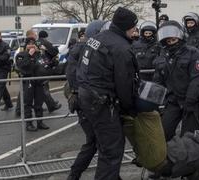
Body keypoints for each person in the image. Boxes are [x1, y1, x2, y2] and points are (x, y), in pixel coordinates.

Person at [76, 7, 139, 180]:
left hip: (87, 98)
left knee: (105, 146)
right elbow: (124, 84)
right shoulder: (121, 48)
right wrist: (130, 108)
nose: (135, 31)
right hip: (103, 102)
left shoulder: (96, 39)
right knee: (112, 150)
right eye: (133, 27)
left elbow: (81, 68)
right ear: (126, 26)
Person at [66, 19, 110, 180]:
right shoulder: (84, 50)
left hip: (86, 101)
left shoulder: (83, 49)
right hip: (87, 102)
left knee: (99, 142)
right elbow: (74, 77)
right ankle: (74, 174)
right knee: (95, 142)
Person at [153, 20, 199, 141]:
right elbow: (158, 81)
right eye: (168, 41)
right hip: (172, 102)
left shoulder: (193, 53)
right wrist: (154, 103)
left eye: (173, 40)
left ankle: (191, 159)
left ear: (180, 37)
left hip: (191, 102)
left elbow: (197, 79)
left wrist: (190, 100)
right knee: (164, 133)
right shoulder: (162, 57)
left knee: (189, 137)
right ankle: (168, 157)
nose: (171, 43)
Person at [15, 30, 52, 131]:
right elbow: (23, 66)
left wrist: (48, 59)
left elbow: (46, 64)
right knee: (28, 102)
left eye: (33, 44)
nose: (32, 46)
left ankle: (40, 122)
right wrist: (29, 55)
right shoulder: (21, 55)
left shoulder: (39, 54)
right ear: (26, 45)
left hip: (39, 81)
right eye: (29, 44)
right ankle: (29, 123)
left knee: (39, 102)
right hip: (28, 81)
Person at [37, 30, 62, 113]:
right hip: (44, 67)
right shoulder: (46, 43)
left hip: (37, 67)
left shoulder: (36, 42)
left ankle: (39, 105)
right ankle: (51, 105)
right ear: (45, 36)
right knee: (44, 87)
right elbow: (54, 52)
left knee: (41, 87)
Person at [0, 31, 13, 114]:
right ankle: (8, 103)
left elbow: (4, 58)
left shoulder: (5, 46)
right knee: (2, 87)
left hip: (3, 69)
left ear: (0, 37)